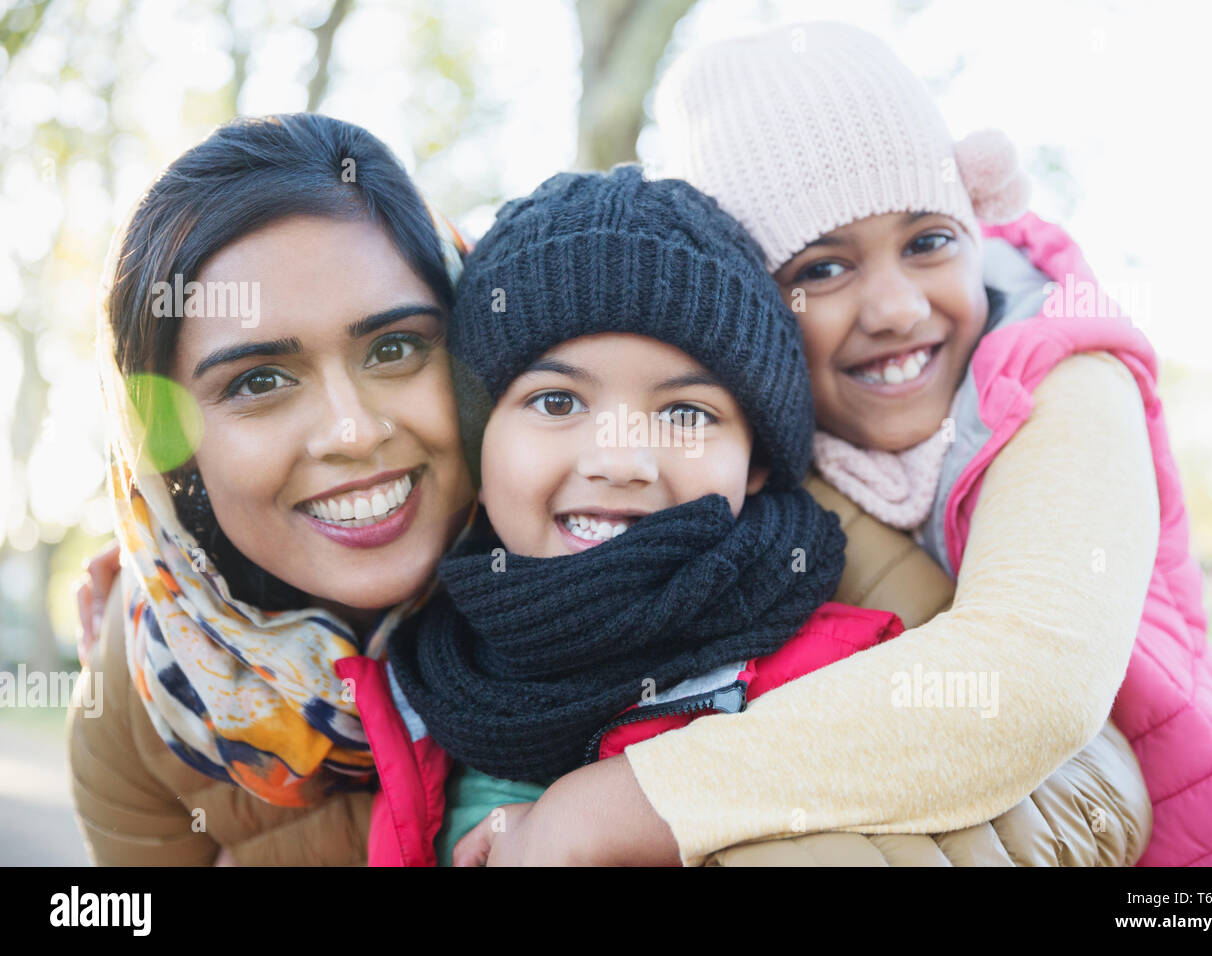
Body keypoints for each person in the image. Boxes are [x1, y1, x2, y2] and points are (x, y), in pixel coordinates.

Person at [341, 166, 1151, 868]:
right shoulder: (413, 681)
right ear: (477, 446)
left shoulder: (846, 675)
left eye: (688, 413)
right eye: (557, 401)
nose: (621, 459)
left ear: (758, 460)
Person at [642, 21, 1212, 866]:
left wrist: (643, 799)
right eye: (821, 269)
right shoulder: (765, 460)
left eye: (928, 242)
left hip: (1197, 850)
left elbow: (1024, 678)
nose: (897, 309)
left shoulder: (1062, 378)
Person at [68, 113, 475, 864]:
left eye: (395, 347)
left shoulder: (617, 583)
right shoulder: (142, 692)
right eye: (259, 380)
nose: (352, 432)